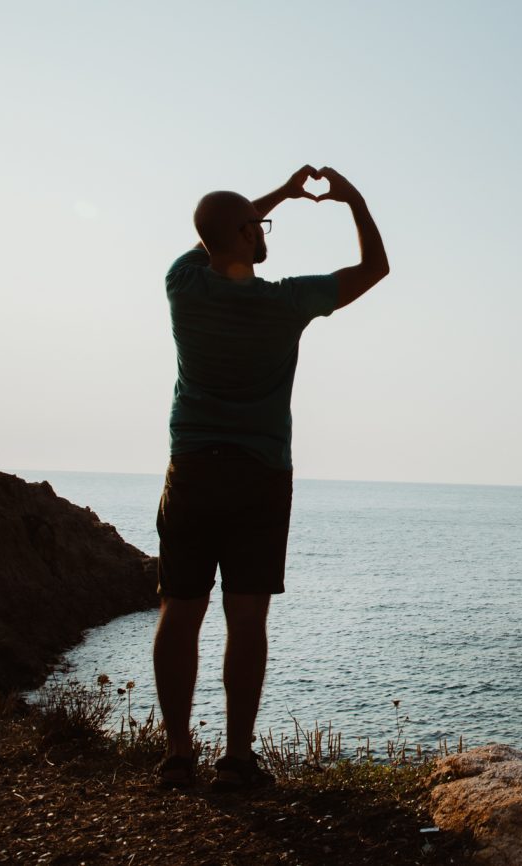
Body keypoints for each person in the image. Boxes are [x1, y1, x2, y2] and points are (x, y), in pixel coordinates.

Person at [153, 165, 388, 790]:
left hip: (193, 469)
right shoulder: (286, 302)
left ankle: (178, 756)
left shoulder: (184, 287)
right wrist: (352, 201)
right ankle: (236, 759)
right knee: (246, 617)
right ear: (243, 233)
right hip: (259, 474)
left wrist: (278, 196)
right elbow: (374, 269)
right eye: (260, 227)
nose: (266, 232)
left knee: (179, 610)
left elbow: (212, 238)